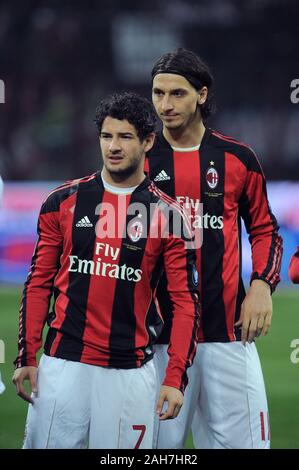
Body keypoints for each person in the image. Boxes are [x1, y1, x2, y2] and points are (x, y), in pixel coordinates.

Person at [12, 92, 199, 449]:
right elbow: (38, 283)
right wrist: (26, 355)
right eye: (106, 136)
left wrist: (175, 377)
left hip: (129, 374)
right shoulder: (62, 202)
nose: (113, 146)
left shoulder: (169, 217)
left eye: (125, 137)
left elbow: (184, 302)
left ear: (147, 141)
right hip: (63, 368)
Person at [145, 48, 283, 449]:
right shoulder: (139, 160)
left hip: (228, 337)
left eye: (177, 94)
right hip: (158, 343)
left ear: (201, 95)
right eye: (157, 94)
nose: (165, 105)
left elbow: (265, 229)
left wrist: (261, 286)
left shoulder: (238, 159)